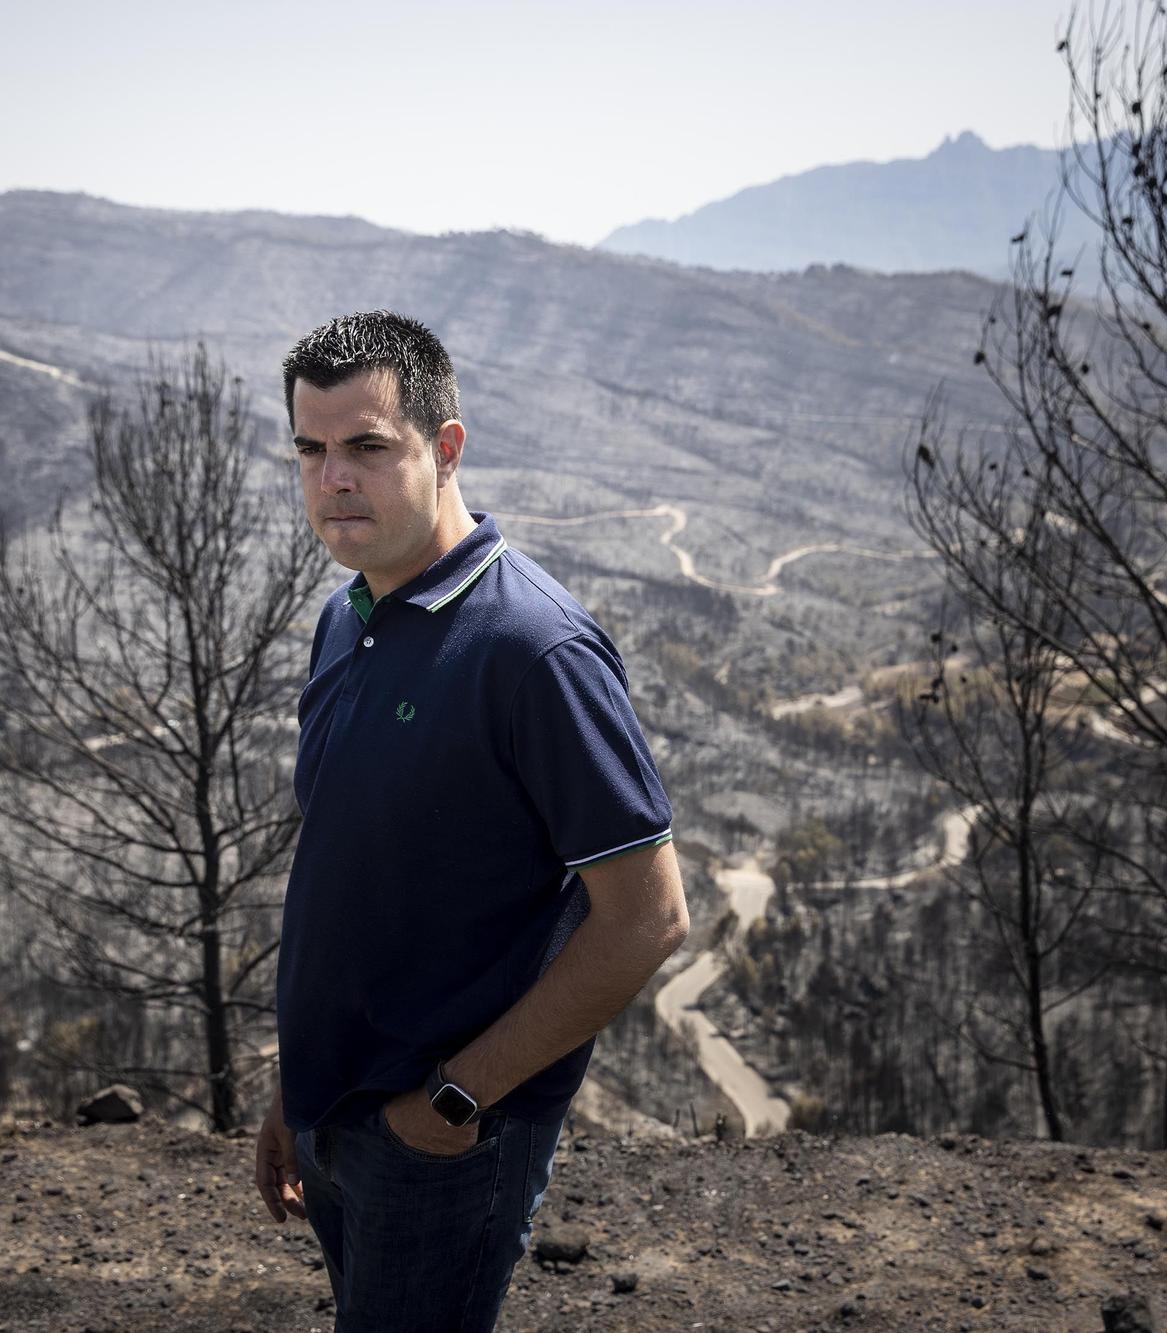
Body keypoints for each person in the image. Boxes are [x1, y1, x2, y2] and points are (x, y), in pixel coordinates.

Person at [252, 310, 690, 1331]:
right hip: (338, 1111)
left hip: (442, 1139)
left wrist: (454, 1100)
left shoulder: (532, 649)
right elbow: (351, 875)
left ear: (445, 448)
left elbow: (645, 916)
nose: (332, 479)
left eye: (366, 446)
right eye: (309, 451)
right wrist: (295, 1085)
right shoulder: (345, 614)